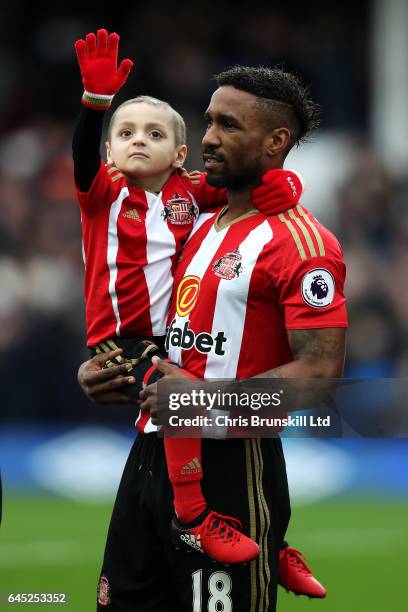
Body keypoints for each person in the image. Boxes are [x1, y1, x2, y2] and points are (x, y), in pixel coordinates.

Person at [78, 52, 348, 611]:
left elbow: (319, 375)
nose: (209, 138)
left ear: (275, 142)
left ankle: (273, 543)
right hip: (151, 454)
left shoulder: (303, 245)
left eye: (229, 125)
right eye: (208, 121)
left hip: (231, 466)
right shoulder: (198, 219)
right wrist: (106, 369)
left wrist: (200, 400)